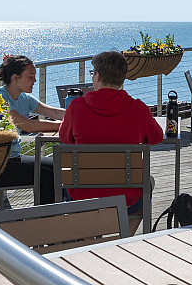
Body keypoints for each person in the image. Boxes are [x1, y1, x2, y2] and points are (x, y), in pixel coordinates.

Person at [58, 51, 164, 216]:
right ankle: (124, 236)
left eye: (93, 73)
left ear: (98, 76)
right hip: (126, 197)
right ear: (122, 78)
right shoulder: (138, 109)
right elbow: (156, 137)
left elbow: (64, 138)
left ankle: (89, 238)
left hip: (82, 195)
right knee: (148, 181)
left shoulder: (76, 107)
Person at [0, 54, 65, 204]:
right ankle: (45, 220)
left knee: (59, 168)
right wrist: (65, 125)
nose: (35, 81)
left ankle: (53, 214)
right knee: (47, 177)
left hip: (14, 158)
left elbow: (55, 113)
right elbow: (27, 125)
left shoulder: (23, 98)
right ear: (15, 78)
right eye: (30, 77)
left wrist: (81, 115)